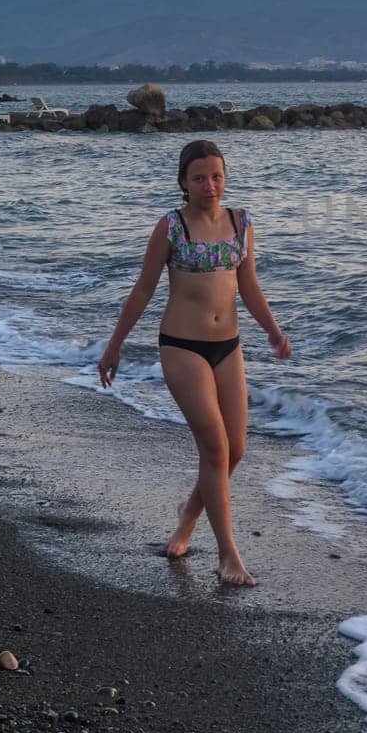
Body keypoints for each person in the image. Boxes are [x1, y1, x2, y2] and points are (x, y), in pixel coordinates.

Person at [98, 139, 291, 587]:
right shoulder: (171, 226)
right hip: (182, 346)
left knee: (235, 450)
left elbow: (249, 286)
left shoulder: (241, 222)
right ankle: (228, 555)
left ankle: (188, 514)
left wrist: (273, 329)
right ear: (184, 183)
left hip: (229, 347)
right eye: (200, 177)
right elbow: (143, 289)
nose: (210, 185)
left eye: (217, 176)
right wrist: (114, 346)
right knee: (216, 447)